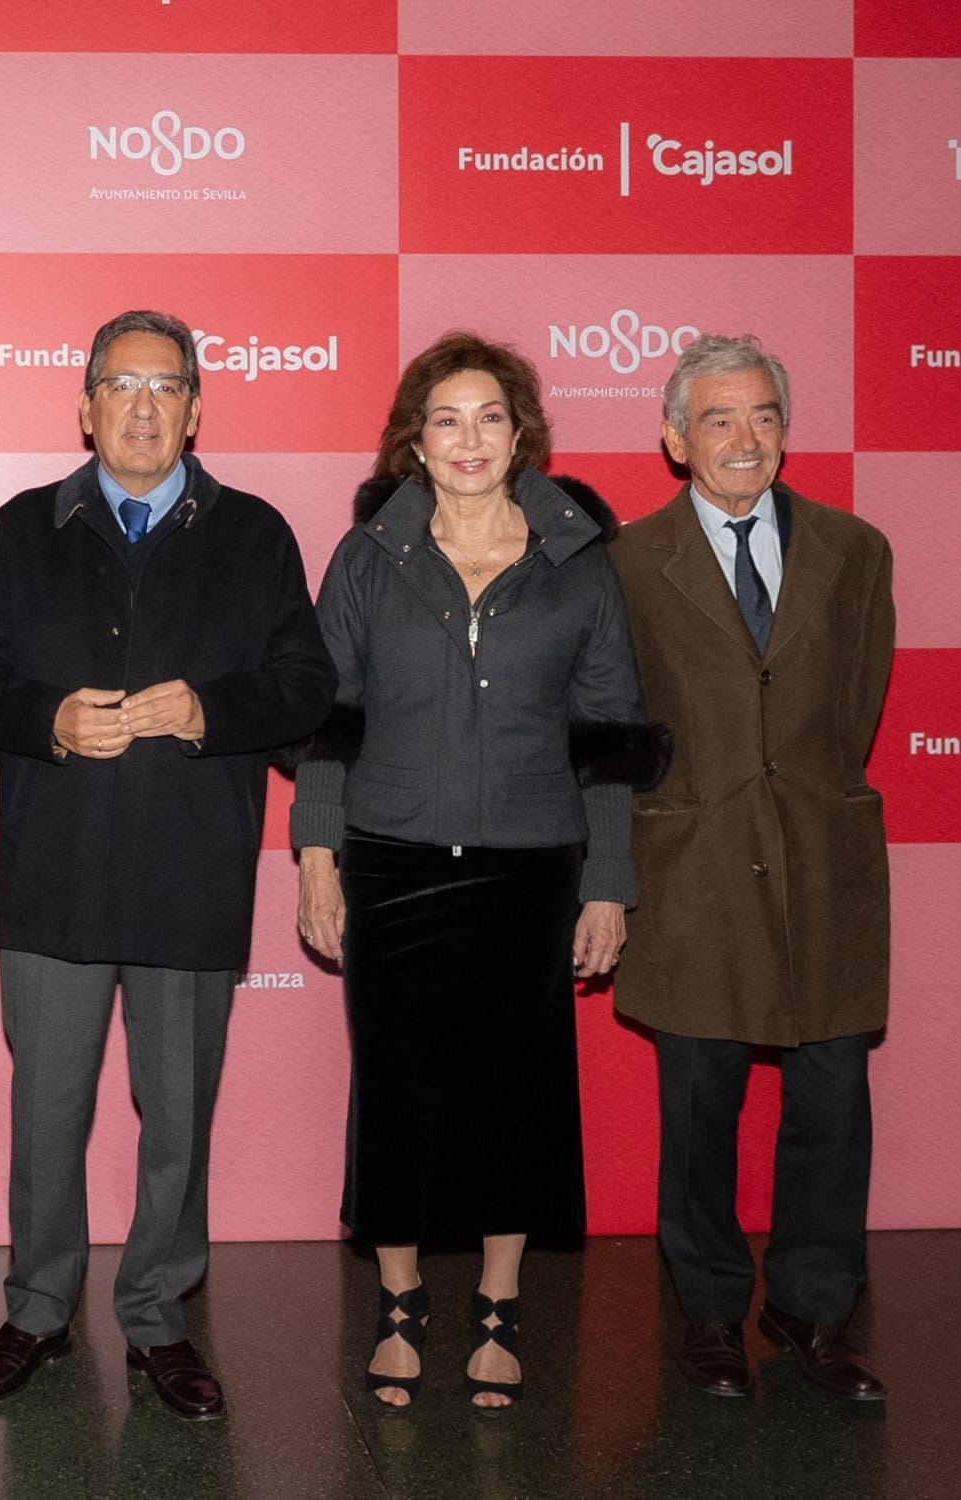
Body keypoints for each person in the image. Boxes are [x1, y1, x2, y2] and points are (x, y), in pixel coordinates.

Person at [0, 309, 336, 1422]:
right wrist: (49, 719)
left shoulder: (255, 535)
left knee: (179, 1117)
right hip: (55, 884)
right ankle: (36, 1311)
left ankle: (160, 1317)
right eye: (123, 385)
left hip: (190, 879)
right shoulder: (26, 529)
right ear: (86, 405)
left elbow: (306, 687)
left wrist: (214, 709)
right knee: (46, 1116)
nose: (145, 407)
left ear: (198, 409)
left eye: (167, 387)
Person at [289, 331, 667, 1410]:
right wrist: (317, 858)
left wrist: (609, 879)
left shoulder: (576, 557)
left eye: (489, 417)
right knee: (400, 1087)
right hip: (392, 859)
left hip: (533, 866)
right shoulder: (369, 557)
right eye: (445, 419)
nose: (468, 439)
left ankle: (499, 1307)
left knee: (517, 1095)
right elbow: (327, 728)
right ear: (416, 438)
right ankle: (401, 1302)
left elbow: (606, 733)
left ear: (520, 433)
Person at [611, 334, 893, 1403]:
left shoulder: (855, 551)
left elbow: (851, 711)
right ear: (676, 438)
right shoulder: (629, 561)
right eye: (719, 418)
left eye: (764, 414)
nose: (745, 437)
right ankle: (714, 1314)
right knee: (700, 1110)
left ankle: (815, 1310)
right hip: (693, 871)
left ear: (786, 427)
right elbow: (622, 719)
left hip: (824, 865)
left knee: (831, 1104)